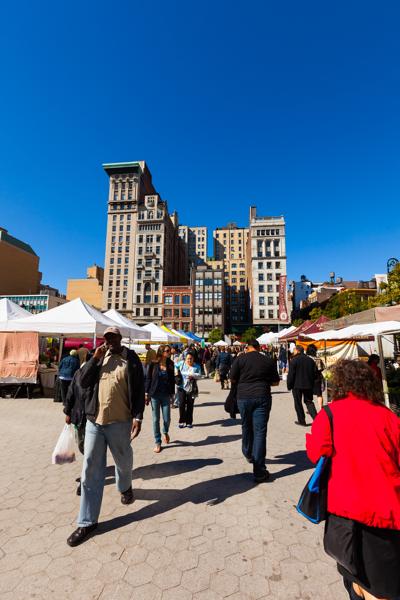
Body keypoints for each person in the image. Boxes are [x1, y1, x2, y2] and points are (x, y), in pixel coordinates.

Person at [306, 359, 400, 600]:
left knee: (357, 578)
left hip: (344, 510)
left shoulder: (330, 413)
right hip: (386, 511)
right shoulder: (389, 416)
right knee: (379, 581)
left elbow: (317, 453)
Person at [66, 327, 145, 547]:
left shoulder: (131, 359)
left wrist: (138, 417)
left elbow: (139, 389)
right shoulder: (98, 357)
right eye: (107, 338)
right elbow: (81, 382)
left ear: (120, 339)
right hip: (94, 421)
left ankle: (125, 487)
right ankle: (87, 522)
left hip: (120, 422)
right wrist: (94, 358)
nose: (109, 341)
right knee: (90, 468)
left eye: (113, 337)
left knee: (123, 461)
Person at [230, 339, 280, 483]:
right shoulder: (267, 360)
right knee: (260, 432)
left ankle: (247, 452)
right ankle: (259, 471)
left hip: (243, 397)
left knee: (246, 426)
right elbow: (276, 382)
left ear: (248, 347)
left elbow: (232, 378)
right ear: (258, 348)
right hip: (262, 396)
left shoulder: (240, 359)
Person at [63, 352, 92, 495]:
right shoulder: (78, 373)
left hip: (94, 419)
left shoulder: (99, 375)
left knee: (90, 450)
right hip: (79, 417)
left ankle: (86, 479)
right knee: (82, 445)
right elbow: (71, 393)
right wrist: (68, 412)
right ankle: (93, 466)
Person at [145, 345, 175, 453]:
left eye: (169, 351)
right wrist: (146, 393)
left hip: (166, 395)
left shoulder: (171, 364)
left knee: (167, 419)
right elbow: (148, 378)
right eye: (167, 351)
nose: (169, 352)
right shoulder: (153, 364)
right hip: (154, 395)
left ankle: (165, 431)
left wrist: (173, 394)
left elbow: (172, 380)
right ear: (162, 352)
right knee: (155, 419)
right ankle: (158, 442)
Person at [287, 345, 318, 426]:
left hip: (296, 385)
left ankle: (302, 421)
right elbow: (315, 373)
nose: (293, 352)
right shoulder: (310, 360)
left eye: (294, 350)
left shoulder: (294, 360)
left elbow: (291, 375)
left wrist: (289, 385)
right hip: (308, 385)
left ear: (297, 351)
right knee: (309, 402)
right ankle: (317, 420)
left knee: (298, 403)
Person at [175, 352, 201, 428]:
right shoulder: (181, 363)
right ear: (185, 358)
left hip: (191, 388)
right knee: (181, 404)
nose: (189, 360)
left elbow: (199, 376)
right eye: (188, 358)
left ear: (193, 359)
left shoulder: (197, 366)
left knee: (190, 405)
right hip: (181, 387)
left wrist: (194, 376)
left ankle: (189, 422)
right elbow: (175, 366)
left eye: (191, 359)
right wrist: (176, 373)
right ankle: (182, 421)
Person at [306, 344, 325, 409]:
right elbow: (322, 369)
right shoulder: (318, 359)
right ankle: (320, 408)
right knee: (319, 394)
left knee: (308, 395)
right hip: (317, 378)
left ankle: (310, 408)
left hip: (308, 378)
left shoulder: (306, 359)